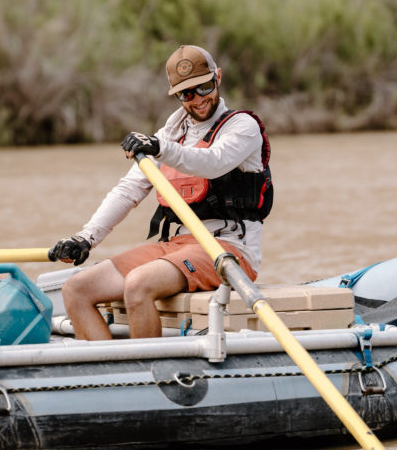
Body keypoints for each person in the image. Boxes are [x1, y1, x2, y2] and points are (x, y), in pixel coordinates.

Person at [50, 45, 273, 340]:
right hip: (177, 244)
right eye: (186, 94)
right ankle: (117, 379)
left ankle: (146, 378)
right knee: (77, 289)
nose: (198, 99)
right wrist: (85, 238)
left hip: (228, 249)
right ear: (177, 95)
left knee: (138, 284)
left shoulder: (242, 127)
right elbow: (129, 189)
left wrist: (159, 148)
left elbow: (213, 163)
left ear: (217, 77)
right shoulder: (171, 132)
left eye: (204, 87)